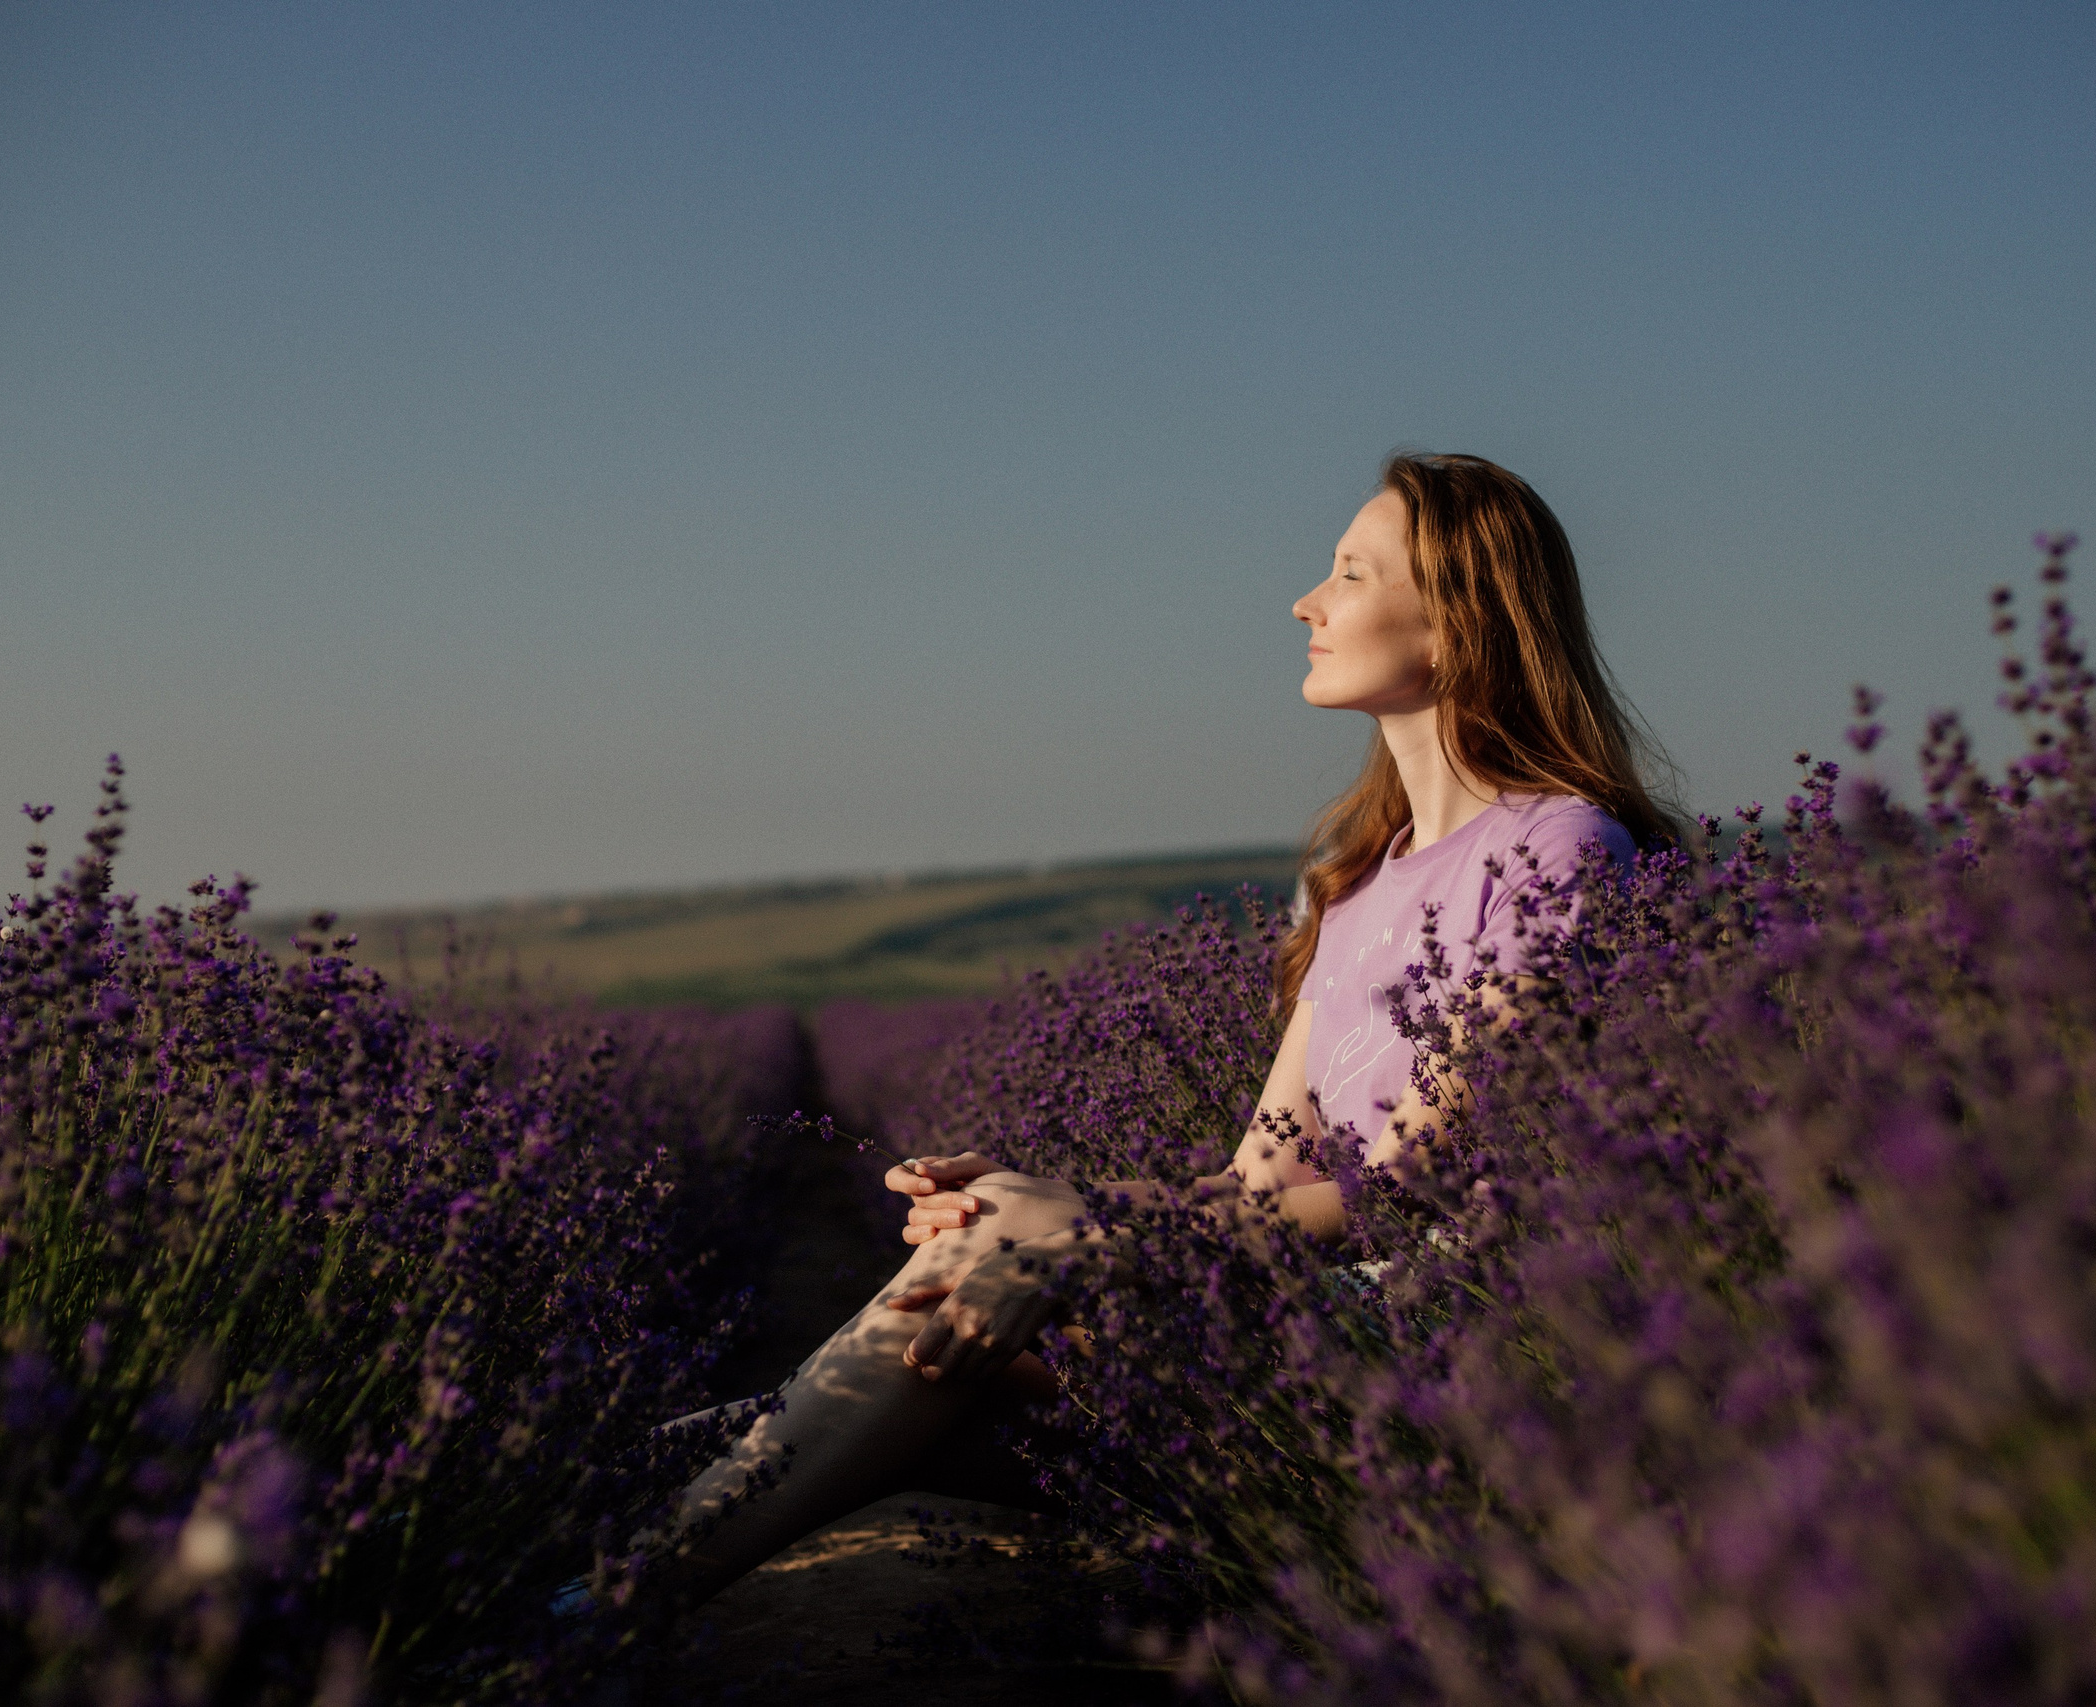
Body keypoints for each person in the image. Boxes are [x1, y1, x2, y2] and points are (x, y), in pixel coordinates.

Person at [660, 452, 1678, 1609]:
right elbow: (1258, 1186)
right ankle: (575, 1587)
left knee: (924, 1345)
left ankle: (580, 1597)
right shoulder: (1354, 882)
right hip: (1289, 1321)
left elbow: (1408, 1191)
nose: (1306, 603)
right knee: (942, 1319)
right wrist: (1044, 1206)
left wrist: (1082, 1235)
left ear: (1456, 623)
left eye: (1350, 573)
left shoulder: (1559, 850)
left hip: (1428, 1354)